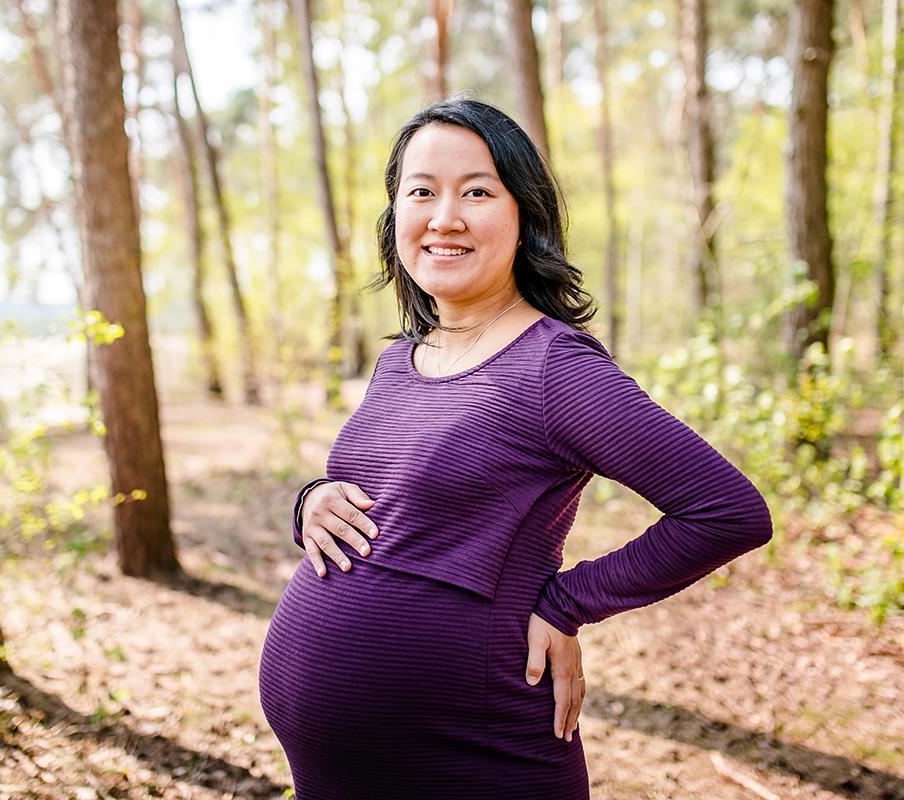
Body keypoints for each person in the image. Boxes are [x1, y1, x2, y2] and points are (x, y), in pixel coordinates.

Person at [257, 98, 773, 799]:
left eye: (477, 191)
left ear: (524, 214)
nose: (444, 216)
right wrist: (310, 501)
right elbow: (398, 497)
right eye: (421, 192)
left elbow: (725, 511)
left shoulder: (554, 366)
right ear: (396, 219)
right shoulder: (402, 360)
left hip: (474, 758)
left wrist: (569, 603)